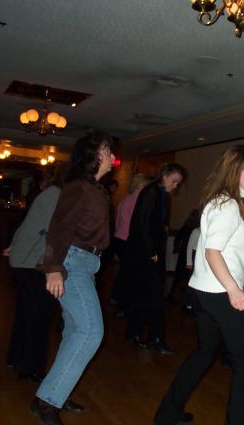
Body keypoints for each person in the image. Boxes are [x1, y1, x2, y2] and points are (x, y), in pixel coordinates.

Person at [153, 145, 244, 425]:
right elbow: (212, 252)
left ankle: (168, 413)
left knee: (205, 352)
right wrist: (235, 290)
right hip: (220, 295)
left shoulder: (220, 201)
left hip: (204, 292)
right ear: (236, 172)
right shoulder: (227, 205)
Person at [31, 132, 115, 425]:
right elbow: (59, 227)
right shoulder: (79, 187)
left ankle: (53, 392)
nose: (112, 156)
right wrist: (54, 267)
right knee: (91, 331)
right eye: (107, 150)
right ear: (94, 155)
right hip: (72, 263)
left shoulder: (96, 189)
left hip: (87, 264)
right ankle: (47, 402)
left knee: (74, 332)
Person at [4, 169, 61, 384]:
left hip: (24, 260)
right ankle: (31, 369)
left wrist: (14, 245)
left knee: (26, 314)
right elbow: (53, 234)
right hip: (32, 264)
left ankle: (15, 358)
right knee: (39, 318)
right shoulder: (56, 196)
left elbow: (27, 225)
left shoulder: (50, 194)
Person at [125, 163, 186, 355]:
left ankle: (135, 333)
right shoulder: (152, 192)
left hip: (147, 252)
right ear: (165, 176)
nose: (176, 186)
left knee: (146, 295)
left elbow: (149, 223)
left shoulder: (157, 193)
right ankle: (156, 338)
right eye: (174, 181)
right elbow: (142, 223)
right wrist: (151, 251)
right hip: (147, 254)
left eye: (178, 182)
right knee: (155, 296)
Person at [110, 173, 151, 318]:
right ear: (140, 185)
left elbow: (118, 222)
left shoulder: (125, 199)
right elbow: (134, 225)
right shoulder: (135, 201)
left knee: (125, 272)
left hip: (120, 239)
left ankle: (117, 298)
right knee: (129, 274)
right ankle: (122, 306)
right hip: (128, 240)